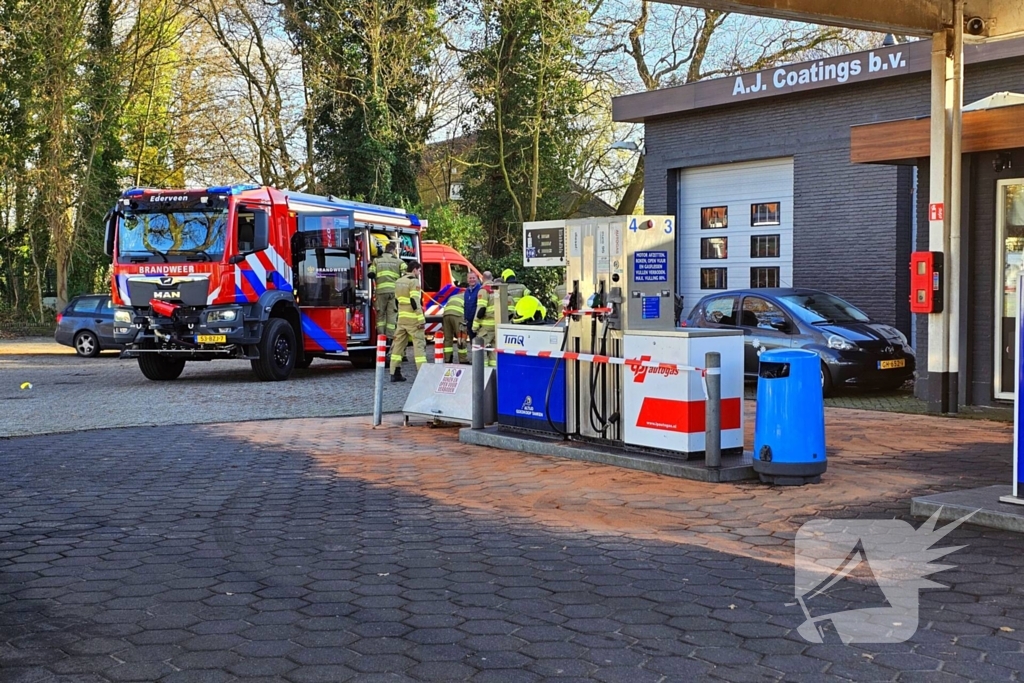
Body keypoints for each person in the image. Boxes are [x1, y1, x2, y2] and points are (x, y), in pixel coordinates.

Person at [389, 261, 427, 382]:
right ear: (415, 270)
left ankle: (394, 372)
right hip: (413, 320)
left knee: (398, 346)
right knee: (419, 345)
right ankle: (423, 374)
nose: (419, 273)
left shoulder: (399, 281)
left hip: (402, 319)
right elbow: (414, 301)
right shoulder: (414, 281)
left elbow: (396, 301)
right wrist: (421, 319)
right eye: (419, 271)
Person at [367, 240, 406, 340]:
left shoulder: (377, 260)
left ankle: (381, 336)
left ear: (385, 250)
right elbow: (406, 271)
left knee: (380, 315)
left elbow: (371, 272)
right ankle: (389, 338)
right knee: (392, 314)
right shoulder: (398, 261)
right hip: (393, 292)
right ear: (393, 251)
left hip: (381, 292)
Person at [441, 277, 467, 363]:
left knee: (448, 338)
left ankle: (448, 359)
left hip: (446, 315)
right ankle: (463, 360)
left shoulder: (453, 296)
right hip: (457, 315)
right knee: (461, 337)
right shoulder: (467, 296)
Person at [474, 278, 497, 367]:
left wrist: (474, 326)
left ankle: (483, 370)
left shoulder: (483, 291)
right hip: (497, 326)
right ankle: (494, 371)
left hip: (486, 327)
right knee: (494, 350)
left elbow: (481, 310)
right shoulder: (497, 290)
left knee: (480, 348)